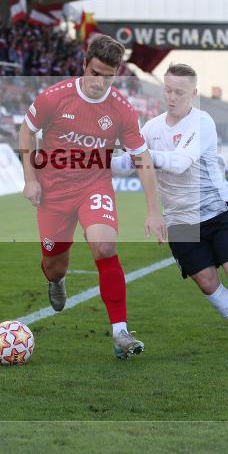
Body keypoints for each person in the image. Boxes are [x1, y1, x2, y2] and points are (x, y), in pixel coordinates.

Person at [18, 33, 166, 360]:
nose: (100, 82)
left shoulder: (122, 112)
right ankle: (56, 281)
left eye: (108, 76)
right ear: (84, 65)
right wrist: (30, 178)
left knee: (105, 246)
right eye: (95, 73)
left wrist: (153, 211)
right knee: (54, 266)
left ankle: (120, 332)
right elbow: (26, 130)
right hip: (54, 191)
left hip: (94, 186)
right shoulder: (55, 97)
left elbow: (142, 159)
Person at [112, 64, 228, 355]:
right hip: (179, 220)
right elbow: (127, 163)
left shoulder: (202, 122)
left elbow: (179, 162)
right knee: (207, 282)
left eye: (179, 91)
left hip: (215, 210)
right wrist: (89, 160)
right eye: (167, 90)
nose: (171, 97)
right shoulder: (151, 128)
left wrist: (140, 154)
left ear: (194, 93)